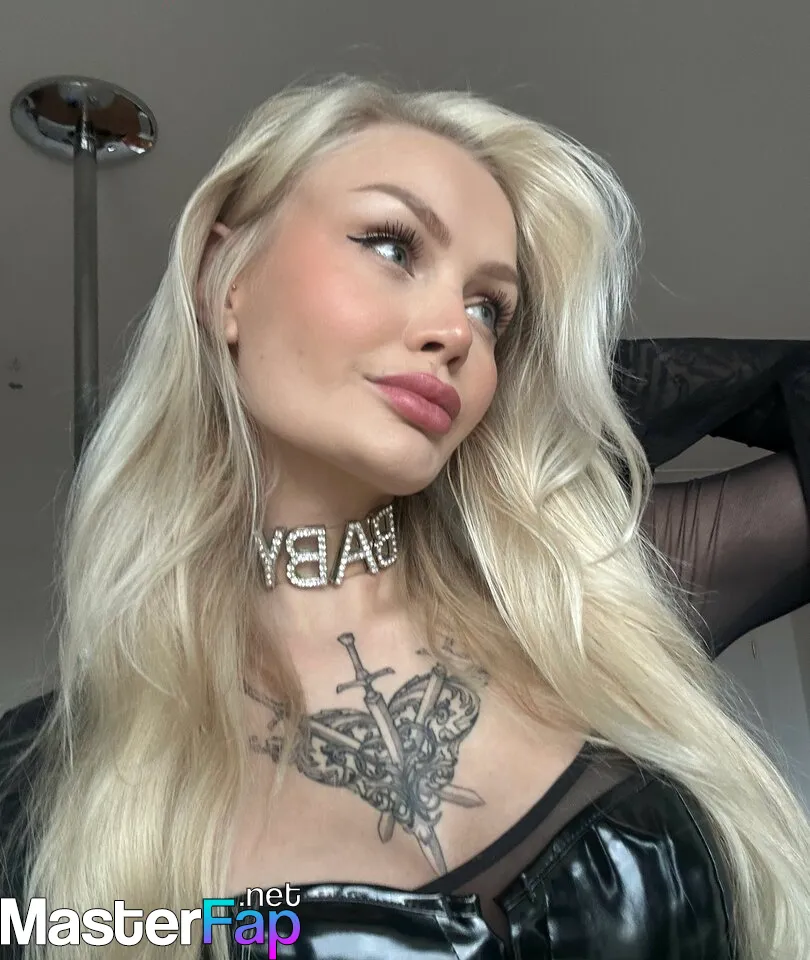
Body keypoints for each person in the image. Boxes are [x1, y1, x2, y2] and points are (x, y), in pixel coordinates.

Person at [1, 76, 809, 960]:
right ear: (224, 281)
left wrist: (559, 403)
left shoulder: (581, 603)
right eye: (392, 245)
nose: (456, 332)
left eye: (489, 309)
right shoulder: (40, 784)